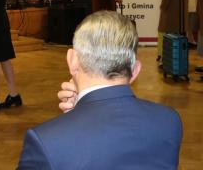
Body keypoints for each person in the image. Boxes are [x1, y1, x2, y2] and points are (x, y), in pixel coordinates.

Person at [18, 11, 182, 170]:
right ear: (135, 70)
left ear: (72, 60)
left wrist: (74, 118)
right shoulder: (169, 121)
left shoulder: (46, 142)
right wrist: (78, 112)